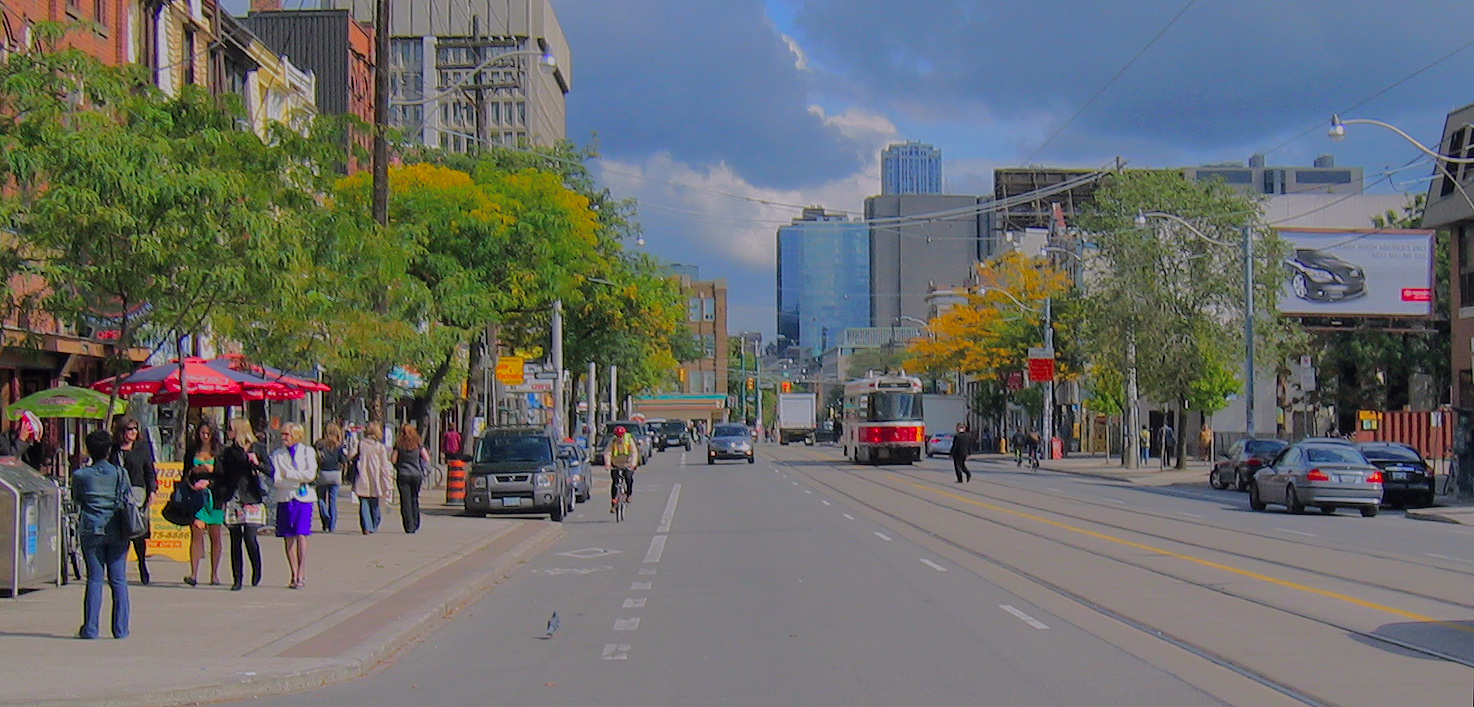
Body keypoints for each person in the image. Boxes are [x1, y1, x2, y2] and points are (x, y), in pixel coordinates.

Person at [72, 430, 130, 639]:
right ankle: (121, 629)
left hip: (92, 529)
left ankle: (90, 628)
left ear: (89, 450)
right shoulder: (120, 473)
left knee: (95, 579)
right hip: (117, 529)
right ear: (109, 450)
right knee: (118, 579)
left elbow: (77, 499)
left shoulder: (80, 475)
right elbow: (127, 497)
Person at [219, 418, 268, 591]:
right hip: (234, 497)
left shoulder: (258, 448)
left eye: (231, 429)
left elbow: (270, 471)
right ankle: (237, 578)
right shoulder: (228, 452)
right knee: (235, 540)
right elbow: (221, 475)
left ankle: (257, 568)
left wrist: (257, 463)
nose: (228, 432)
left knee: (250, 537)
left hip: (252, 497)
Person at [110, 415, 156, 586]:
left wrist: (152, 490)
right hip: (118, 494)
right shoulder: (114, 450)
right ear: (122, 431)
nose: (133, 432)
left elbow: (149, 471)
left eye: (135, 429)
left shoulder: (142, 448)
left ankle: (142, 564)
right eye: (130, 429)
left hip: (138, 494)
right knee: (120, 532)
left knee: (138, 532)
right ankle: (118, 568)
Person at [270, 423, 317, 589]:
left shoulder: (307, 451)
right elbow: (276, 480)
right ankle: (293, 573)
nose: (283, 438)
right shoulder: (277, 454)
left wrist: (289, 475)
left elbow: (310, 474)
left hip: (303, 499)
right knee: (288, 536)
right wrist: (297, 479)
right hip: (285, 498)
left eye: (287, 435)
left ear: (296, 435)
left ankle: (302, 573)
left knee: (302, 535)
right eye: (282, 434)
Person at [183, 422, 224, 587]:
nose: (205, 436)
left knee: (215, 535)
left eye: (208, 433)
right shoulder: (192, 450)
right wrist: (194, 473)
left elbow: (224, 476)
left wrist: (211, 473)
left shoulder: (220, 453)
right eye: (202, 433)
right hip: (196, 496)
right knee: (197, 533)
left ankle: (214, 575)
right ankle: (193, 573)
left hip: (215, 497)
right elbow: (184, 473)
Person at [352, 423, 395, 534]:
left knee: (364, 502)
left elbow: (352, 456)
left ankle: (367, 526)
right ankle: (374, 524)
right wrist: (388, 480)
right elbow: (384, 465)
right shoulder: (380, 447)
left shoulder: (361, 444)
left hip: (362, 475)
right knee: (374, 503)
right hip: (376, 477)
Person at [391, 424, 430, 534]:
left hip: (403, 474)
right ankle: (416, 521)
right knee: (414, 498)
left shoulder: (399, 445)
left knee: (405, 501)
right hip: (416, 475)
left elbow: (393, 460)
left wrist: (399, 465)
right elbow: (426, 458)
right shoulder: (418, 444)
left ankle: (409, 525)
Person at [313, 424, 347, 533]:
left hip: (323, 473)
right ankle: (332, 525)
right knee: (333, 500)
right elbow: (343, 460)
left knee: (321, 498)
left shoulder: (319, 444)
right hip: (335, 474)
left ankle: (325, 517)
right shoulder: (339, 446)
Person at [604, 425, 639, 513]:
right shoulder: (613, 441)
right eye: (618, 436)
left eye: (621, 436)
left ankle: (629, 494)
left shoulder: (629, 440)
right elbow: (608, 452)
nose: (620, 438)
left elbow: (634, 452)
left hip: (627, 463)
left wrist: (633, 464)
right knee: (615, 482)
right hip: (616, 464)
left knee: (628, 477)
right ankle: (613, 504)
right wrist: (608, 464)